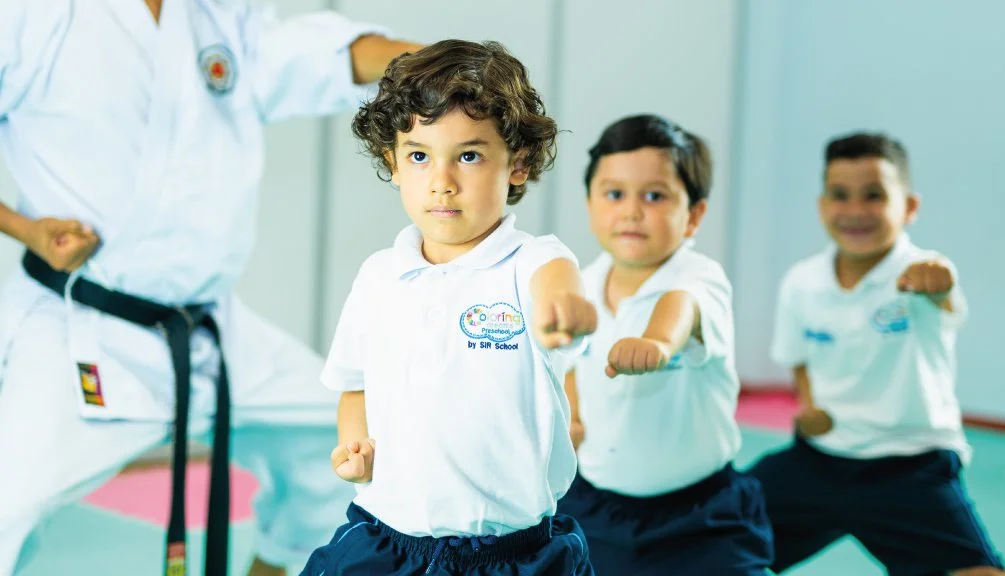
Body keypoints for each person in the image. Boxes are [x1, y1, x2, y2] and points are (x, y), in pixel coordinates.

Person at [0, 1, 420, 575]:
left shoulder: (217, 10)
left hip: (214, 330)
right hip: (80, 327)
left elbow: (299, 60)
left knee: (346, 449)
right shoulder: (35, 13)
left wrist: (427, 62)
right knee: (8, 504)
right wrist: (25, 228)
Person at [300, 39, 597, 576]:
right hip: (385, 538)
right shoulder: (379, 276)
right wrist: (353, 444)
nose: (442, 181)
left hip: (511, 553)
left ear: (519, 164)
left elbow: (557, 284)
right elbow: (354, 383)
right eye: (419, 155)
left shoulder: (531, 261)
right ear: (392, 162)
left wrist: (564, 307)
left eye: (469, 155)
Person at [747, 132, 1005, 575]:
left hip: (911, 468)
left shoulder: (921, 273)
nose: (855, 211)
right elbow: (799, 358)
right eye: (840, 195)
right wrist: (809, 405)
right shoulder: (802, 281)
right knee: (713, 534)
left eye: (873, 196)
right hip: (818, 461)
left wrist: (939, 280)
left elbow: (942, 290)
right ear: (822, 205)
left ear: (908, 207)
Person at [557, 114, 773, 575]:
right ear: (591, 204)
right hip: (597, 505)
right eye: (615, 194)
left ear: (693, 215)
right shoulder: (581, 284)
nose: (632, 211)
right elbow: (571, 363)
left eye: (654, 196)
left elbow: (684, 306)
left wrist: (657, 340)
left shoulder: (698, 276)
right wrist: (572, 417)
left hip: (702, 514)